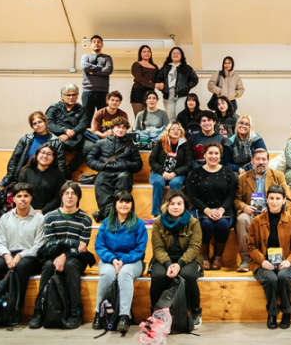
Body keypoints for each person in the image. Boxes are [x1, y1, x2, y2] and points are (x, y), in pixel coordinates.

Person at [29, 182, 95, 329]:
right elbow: (49, 243)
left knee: (71, 266)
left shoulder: (85, 219)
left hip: (75, 258)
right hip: (53, 255)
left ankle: (76, 312)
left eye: (74, 194)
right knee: (47, 266)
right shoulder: (50, 217)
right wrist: (72, 242)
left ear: (78, 197)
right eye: (67, 193)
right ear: (62, 196)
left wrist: (65, 255)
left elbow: (82, 248)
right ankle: (39, 312)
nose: (70, 196)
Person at [0, 182, 45, 327]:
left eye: (26, 196)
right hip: (9, 253)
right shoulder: (5, 218)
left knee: (21, 267)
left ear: (31, 198)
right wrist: (7, 256)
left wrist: (20, 256)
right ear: (13, 199)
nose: (22, 199)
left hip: (30, 256)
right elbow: (1, 242)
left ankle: (16, 308)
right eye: (19, 196)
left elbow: (38, 245)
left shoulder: (39, 219)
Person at [248, 185, 291, 329]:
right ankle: (272, 312)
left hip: (285, 262)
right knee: (271, 278)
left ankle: (286, 311)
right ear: (267, 199)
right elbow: (251, 247)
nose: (274, 201)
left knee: (284, 277)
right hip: (263, 263)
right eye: (271, 198)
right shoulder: (257, 221)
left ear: (284, 200)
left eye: (278, 198)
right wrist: (262, 261)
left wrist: (289, 261)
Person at [93, 192, 148, 333]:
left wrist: (123, 260)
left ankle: (124, 316)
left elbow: (140, 249)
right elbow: (100, 246)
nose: (124, 205)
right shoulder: (106, 223)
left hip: (133, 261)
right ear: (115, 205)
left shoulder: (139, 224)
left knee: (125, 274)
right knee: (106, 274)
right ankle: (99, 313)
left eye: (127, 202)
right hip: (109, 260)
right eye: (120, 202)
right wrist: (112, 259)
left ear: (132, 205)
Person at [149, 190, 203, 328]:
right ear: (167, 206)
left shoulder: (194, 222)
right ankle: (156, 312)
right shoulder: (158, 222)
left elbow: (194, 248)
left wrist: (179, 264)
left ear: (185, 206)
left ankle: (195, 312)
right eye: (172, 204)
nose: (176, 207)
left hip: (188, 259)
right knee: (159, 275)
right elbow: (158, 248)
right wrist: (168, 264)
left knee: (188, 275)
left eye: (179, 203)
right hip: (163, 259)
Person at [235, 149, 291, 272]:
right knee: (241, 219)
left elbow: (288, 200)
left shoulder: (278, 176)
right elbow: (237, 200)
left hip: (273, 213)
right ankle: (245, 259)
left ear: (268, 160)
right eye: (258, 159)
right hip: (252, 214)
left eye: (264, 159)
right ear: (252, 160)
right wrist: (244, 207)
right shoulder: (242, 178)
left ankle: (278, 258)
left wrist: (274, 207)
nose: (261, 162)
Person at [185, 142, 237, 270]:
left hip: (223, 209)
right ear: (204, 155)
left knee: (222, 225)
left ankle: (218, 256)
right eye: (210, 153)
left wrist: (221, 210)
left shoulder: (229, 172)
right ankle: (204, 256)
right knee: (206, 225)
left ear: (220, 155)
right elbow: (191, 197)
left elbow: (231, 196)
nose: (213, 156)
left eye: (216, 153)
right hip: (201, 210)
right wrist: (207, 210)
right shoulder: (195, 173)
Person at [86, 118, 143, 221]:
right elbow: (90, 159)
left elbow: (138, 165)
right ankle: (110, 214)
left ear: (126, 130)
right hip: (105, 171)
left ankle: (112, 214)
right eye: (118, 127)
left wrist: (124, 164)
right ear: (112, 128)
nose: (120, 130)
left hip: (123, 172)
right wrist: (103, 166)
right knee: (101, 181)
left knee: (124, 179)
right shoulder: (101, 143)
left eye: (123, 128)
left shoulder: (130, 145)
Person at [4, 112, 67, 185]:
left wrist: (60, 180)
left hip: (47, 177)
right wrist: (8, 178)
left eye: (40, 122)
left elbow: (60, 163)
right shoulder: (25, 139)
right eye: (34, 123)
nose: (38, 125)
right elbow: (14, 160)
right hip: (26, 176)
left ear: (45, 122)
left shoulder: (56, 141)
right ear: (32, 126)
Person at [149, 122, 194, 217]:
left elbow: (188, 164)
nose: (176, 131)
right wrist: (162, 172)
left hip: (177, 174)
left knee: (176, 183)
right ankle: (156, 213)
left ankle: (176, 212)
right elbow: (152, 160)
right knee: (158, 182)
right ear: (168, 131)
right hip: (159, 173)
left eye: (178, 129)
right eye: (173, 129)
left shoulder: (185, 145)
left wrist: (175, 173)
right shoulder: (160, 142)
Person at [46, 83, 87, 175]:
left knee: (90, 146)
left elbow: (83, 125)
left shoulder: (82, 109)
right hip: (58, 137)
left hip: (76, 137)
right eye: (68, 95)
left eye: (74, 94)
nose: (71, 97)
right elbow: (49, 123)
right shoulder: (54, 107)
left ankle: (69, 170)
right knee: (56, 144)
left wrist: (71, 133)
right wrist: (64, 130)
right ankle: (62, 174)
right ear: (62, 96)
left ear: (77, 96)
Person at [154, 46, 199, 122]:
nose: (175, 54)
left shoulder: (187, 68)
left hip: (182, 95)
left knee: (180, 116)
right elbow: (157, 79)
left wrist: (186, 87)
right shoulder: (165, 68)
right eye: (173, 53)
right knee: (170, 117)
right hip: (168, 96)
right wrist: (160, 85)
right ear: (170, 55)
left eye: (178, 53)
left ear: (181, 55)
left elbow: (195, 79)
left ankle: (180, 132)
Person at [18, 145, 66, 214]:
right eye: (42, 153)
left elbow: (59, 197)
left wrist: (43, 211)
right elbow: (20, 193)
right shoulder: (26, 172)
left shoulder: (58, 174)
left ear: (53, 157)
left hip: (49, 214)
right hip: (27, 212)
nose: (45, 156)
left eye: (49, 154)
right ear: (37, 154)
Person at [80, 35, 114, 129]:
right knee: (86, 117)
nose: (96, 43)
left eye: (98, 42)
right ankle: (86, 139)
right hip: (88, 90)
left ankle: (102, 138)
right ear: (90, 45)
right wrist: (100, 68)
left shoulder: (107, 57)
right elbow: (84, 67)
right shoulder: (85, 56)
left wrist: (93, 71)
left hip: (103, 91)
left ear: (102, 44)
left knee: (103, 118)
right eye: (94, 42)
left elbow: (108, 70)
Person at [130, 45, 159, 117]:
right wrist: (153, 85)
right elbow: (139, 78)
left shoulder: (155, 66)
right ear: (140, 53)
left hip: (150, 93)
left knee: (149, 116)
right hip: (138, 92)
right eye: (144, 52)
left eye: (148, 51)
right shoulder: (136, 64)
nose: (147, 53)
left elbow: (158, 78)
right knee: (139, 116)